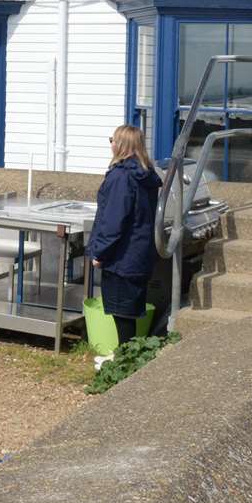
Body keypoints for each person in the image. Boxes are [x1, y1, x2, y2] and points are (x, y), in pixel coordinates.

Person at [87, 124, 162, 348]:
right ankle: (129, 358)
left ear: (121, 145)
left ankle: (126, 363)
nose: (110, 143)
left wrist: (99, 252)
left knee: (122, 314)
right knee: (130, 311)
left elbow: (113, 221)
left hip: (122, 258)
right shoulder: (145, 174)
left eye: (113, 139)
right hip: (139, 253)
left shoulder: (121, 177)